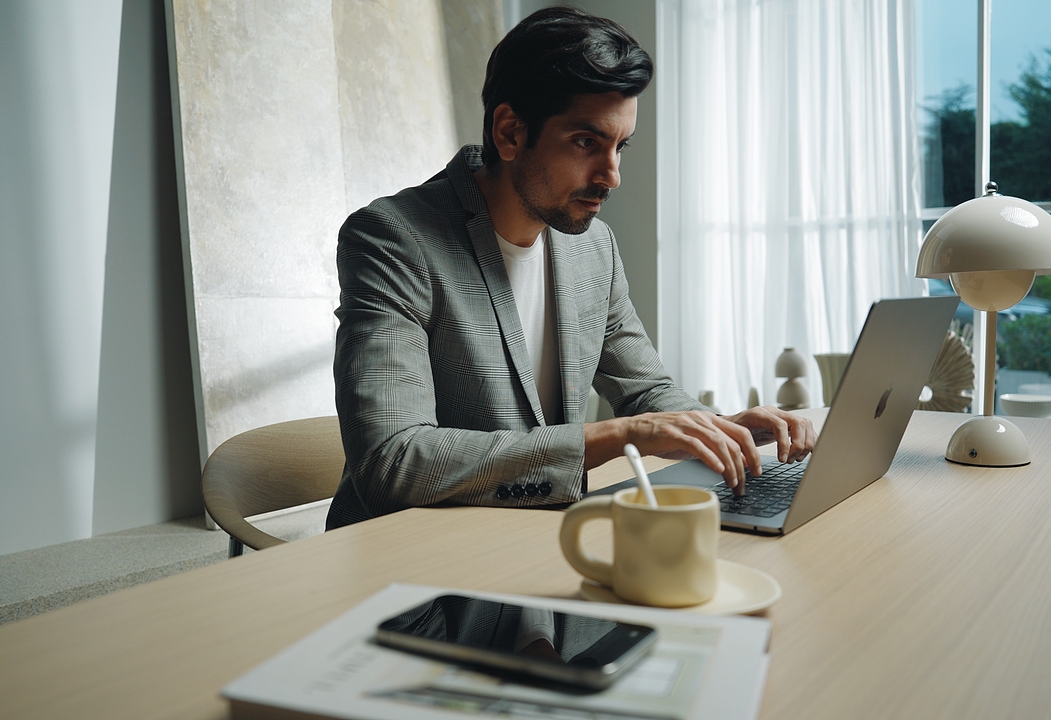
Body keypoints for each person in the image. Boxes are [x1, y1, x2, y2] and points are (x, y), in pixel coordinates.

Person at [326, 6, 816, 529]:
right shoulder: (394, 238)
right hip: (418, 573)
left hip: (541, 544)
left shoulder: (593, 248)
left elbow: (645, 392)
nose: (612, 176)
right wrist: (621, 435)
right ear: (510, 132)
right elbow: (393, 460)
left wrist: (716, 428)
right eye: (587, 143)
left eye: (620, 146)